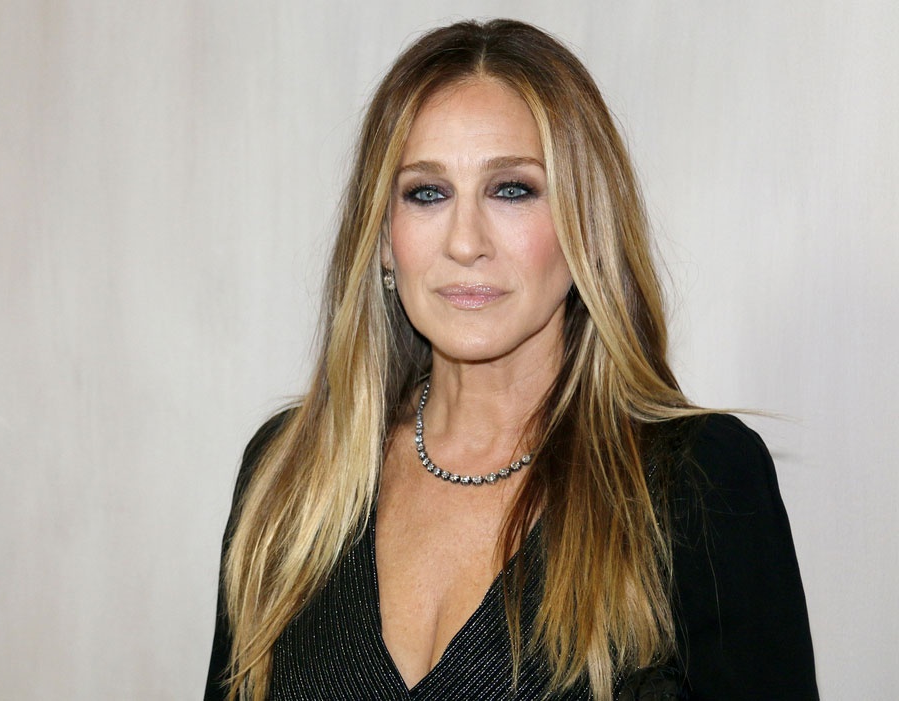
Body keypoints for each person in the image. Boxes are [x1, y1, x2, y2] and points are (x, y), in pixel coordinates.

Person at [204, 18, 818, 701]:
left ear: (587, 225)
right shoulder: (290, 474)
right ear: (382, 239)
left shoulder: (699, 482)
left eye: (512, 189)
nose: (465, 241)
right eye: (427, 193)